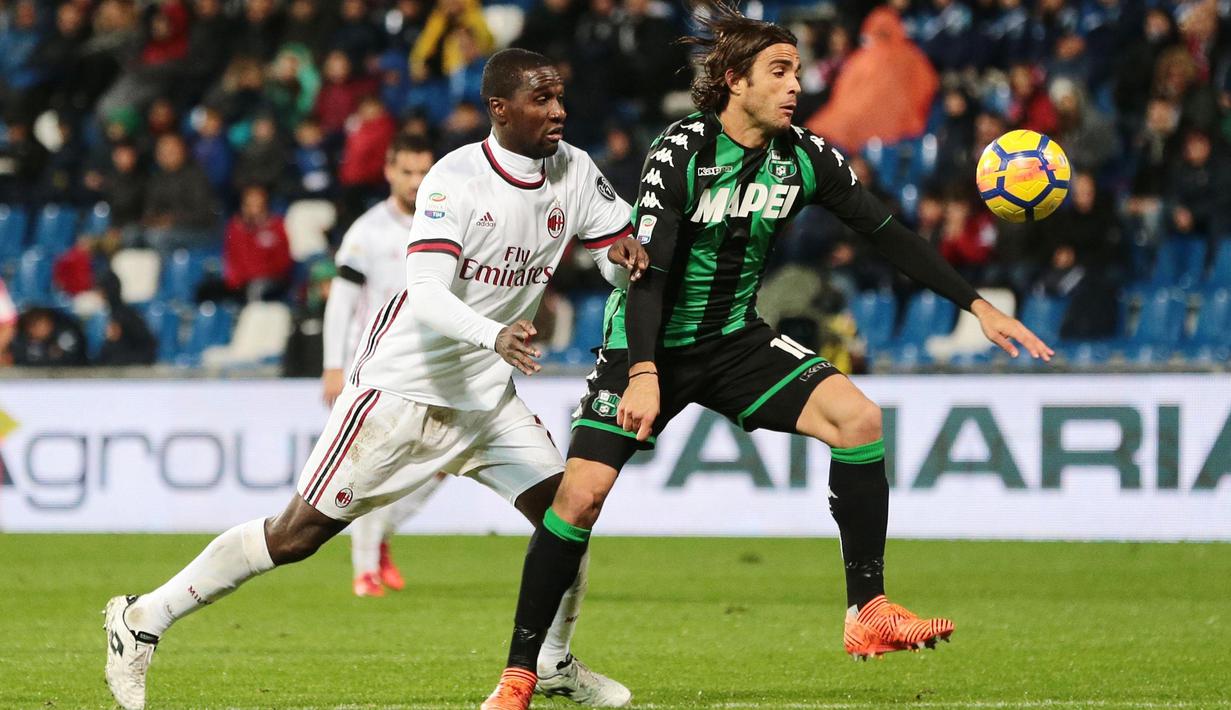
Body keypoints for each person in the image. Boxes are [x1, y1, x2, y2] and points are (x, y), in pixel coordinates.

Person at [482, 3, 1054, 707]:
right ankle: (520, 671)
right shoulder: (681, 151)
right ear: (733, 80)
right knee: (580, 497)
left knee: (859, 420)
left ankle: (866, 610)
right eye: (779, 72)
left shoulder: (804, 158)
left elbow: (884, 230)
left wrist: (976, 305)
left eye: (797, 72)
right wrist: (642, 372)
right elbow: (647, 273)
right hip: (647, 336)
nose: (795, 87)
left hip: (734, 340)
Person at [104, 47, 649, 710]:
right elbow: (424, 293)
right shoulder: (455, 181)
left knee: (569, 513)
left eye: (560, 96)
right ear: (500, 109)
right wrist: (493, 333)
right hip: (403, 389)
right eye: (541, 98)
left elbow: (616, 259)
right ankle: (141, 620)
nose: (559, 110)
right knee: (294, 536)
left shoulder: (573, 170)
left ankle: (552, 662)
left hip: (485, 399)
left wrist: (623, 263)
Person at [321, 133, 448, 598]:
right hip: (375, 367)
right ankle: (364, 570)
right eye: (407, 172)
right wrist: (333, 366)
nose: (416, 182)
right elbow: (341, 302)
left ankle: (380, 538)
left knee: (441, 465)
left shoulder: (446, 224)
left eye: (423, 172)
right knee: (371, 470)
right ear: (389, 172)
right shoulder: (367, 232)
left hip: (432, 366)